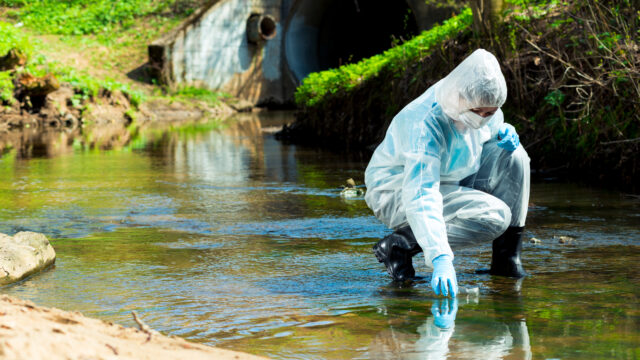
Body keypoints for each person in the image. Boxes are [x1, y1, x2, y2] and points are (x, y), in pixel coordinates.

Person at [364, 49, 530, 297]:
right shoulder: (425, 122)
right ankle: (402, 245)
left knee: (516, 156)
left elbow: (489, 131)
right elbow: (421, 192)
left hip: (453, 178)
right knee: (496, 217)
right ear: (463, 99)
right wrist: (440, 257)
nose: (484, 118)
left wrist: (505, 130)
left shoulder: (480, 101)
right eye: (479, 112)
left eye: (491, 113)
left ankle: (506, 259)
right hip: (396, 191)